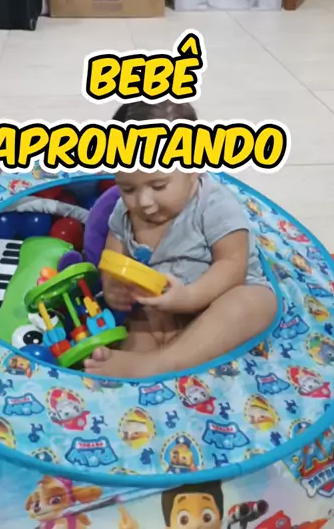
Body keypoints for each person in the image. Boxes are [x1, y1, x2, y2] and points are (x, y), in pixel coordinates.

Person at [84, 101, 277, 378]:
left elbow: (233, 265)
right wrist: (113, 286)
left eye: (158, 185)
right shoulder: (124, 212)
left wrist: (189, 297)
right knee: (141, 323)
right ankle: (139, 365)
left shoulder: (214, 204)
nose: (144, 202)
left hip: (219, 296)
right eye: (128, 189)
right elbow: (113, 258)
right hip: (163, 307)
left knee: (253, 303)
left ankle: (163, 363)